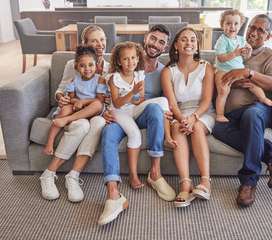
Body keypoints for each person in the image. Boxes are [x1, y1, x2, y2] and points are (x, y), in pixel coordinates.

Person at [98, 25, 176, 226]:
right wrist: (101, 108)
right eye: (153, 39)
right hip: (119, 112)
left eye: (161, 42)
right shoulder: (115, 69)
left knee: (157, 108)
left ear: (165, 47)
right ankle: (113, 194)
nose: (155, 44)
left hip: (141, 111)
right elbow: (103, 92)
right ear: (146, 38)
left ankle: (155, 174)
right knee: (108, 134)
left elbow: (155, 100)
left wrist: (168, 112)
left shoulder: (163, 70)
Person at [212, 14, 272, 207]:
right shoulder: (234, 45)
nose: (254, 33)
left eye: (261, 30)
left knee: (252, 114)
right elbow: (220, 66)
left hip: (259, 108)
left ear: (268, 36)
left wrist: (249, 74)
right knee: (218, 129)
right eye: (252, 28)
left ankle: (248, 182)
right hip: (233, 114)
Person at [39, 25, 109, 203]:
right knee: (82, 125)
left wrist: (110, 103)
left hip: (94, 111)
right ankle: (49, 173)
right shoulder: (73, 65)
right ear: (85, 44)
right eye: (94, 40)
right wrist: (61, 98)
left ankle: (73, 176)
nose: (100, 44)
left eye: (102, 39)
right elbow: (62, 90)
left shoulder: (109, 67)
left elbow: (107, 97)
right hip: (73, 109)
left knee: (98, 123)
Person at [161, 27, 216, 208]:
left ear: (197, 46)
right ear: (176, 45)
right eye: (184, 40)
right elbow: (172, 104)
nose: (189, 43)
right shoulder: (168, 71)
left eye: (193, 40)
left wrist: (193, 118)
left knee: (198, 127)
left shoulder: (206, 67)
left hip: (203, 113)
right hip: (180, 113)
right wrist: (183, 119)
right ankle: (185, 184)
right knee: (176, 127)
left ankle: (205, 181)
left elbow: (207, 100)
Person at [44, 45, 107, 156]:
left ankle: (68, 119)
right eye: (82, 66)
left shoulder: (100, 79)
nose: (87, 69)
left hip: (92, 109)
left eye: (90, 65)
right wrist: (76, 102)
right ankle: (50, 141)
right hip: (77, 107)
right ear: (77, 68)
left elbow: (100, 99)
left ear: (96, 66)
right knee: (64, 109)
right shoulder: (75, 79)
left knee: (97, 105)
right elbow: (71, 97)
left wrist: (83, 102)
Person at [214, 9, 272, 122]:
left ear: (240, 26)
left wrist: (248, 51)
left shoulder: (241, 39)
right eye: (228, 23)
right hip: (223, 70)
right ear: (222, 25)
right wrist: (235, 53)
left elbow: (246, 53)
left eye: (236, 23)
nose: (232, 26)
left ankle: (262, 98)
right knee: (223, 91)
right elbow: (220, 58)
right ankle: (220, 114)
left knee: (252, 83)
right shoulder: (222, 40)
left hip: (238, 70)